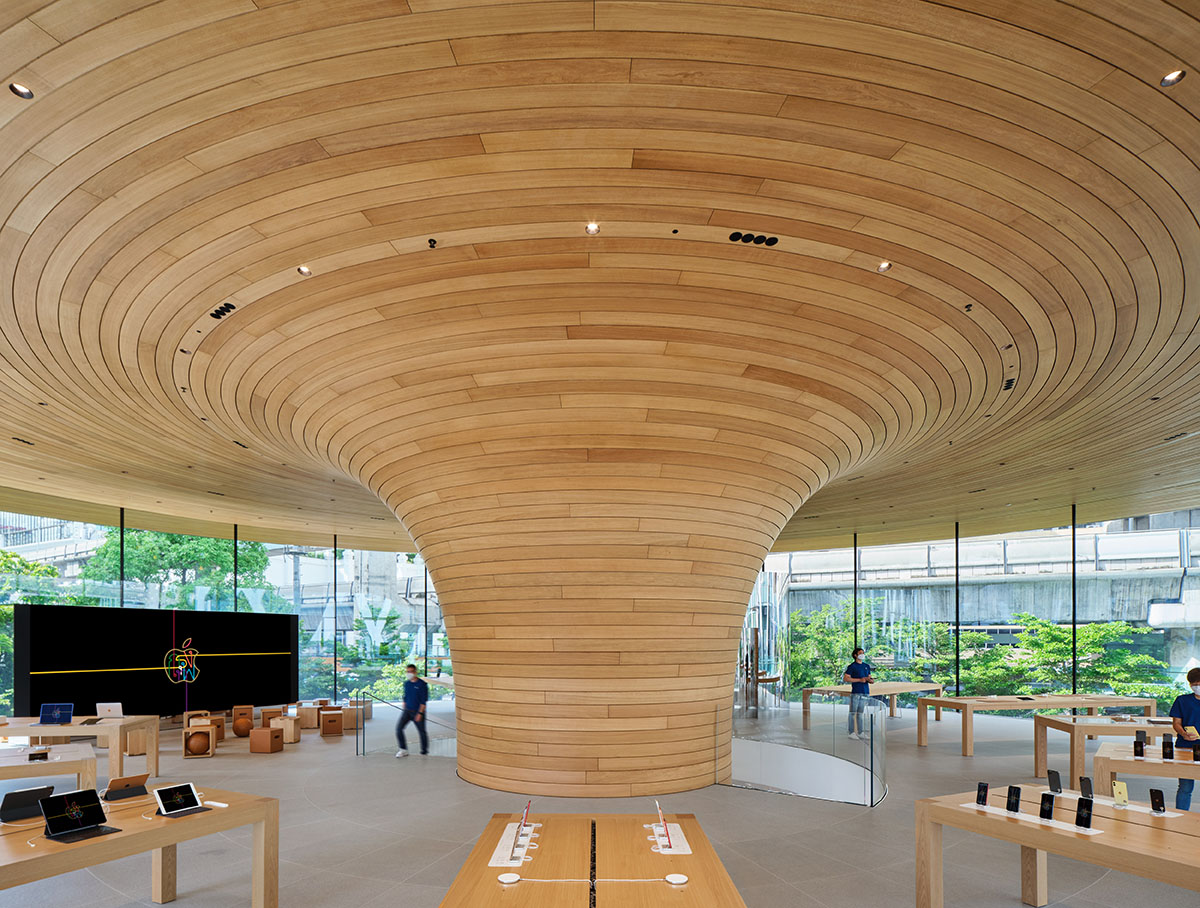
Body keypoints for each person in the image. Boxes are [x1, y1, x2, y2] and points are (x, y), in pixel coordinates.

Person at [1169, 666, 1200, 809]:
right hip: (1185, 747)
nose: (1197, 686)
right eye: (1195, 684)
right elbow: (1176, 723)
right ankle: (1181, 815)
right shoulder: (1182, 700)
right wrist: (1183, 733)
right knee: (1185, 787)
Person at [395, 663, 429, 757]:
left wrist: (420, 713)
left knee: (422, 732)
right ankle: (403, 749)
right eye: (407, 672)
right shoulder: (407, 684)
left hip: (418, 712)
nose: (409, 673)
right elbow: (405, 696)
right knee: (398, 729)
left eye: (411, 671)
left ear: (415, 672)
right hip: (407, 711)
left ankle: (424, 751)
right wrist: (404, 706)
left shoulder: (422, 684)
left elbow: (423, 701)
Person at [843, 647, 875, 740]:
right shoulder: (852, 666)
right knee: (853, 713)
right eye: (860, 653)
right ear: (855, 655)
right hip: (856, 692)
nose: (862, 654)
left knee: (860, 713)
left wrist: (870, 680)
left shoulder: (866, 666)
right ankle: (851, 732)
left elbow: (869, 677)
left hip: (865, 692)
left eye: (863, 653)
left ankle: (860, 732)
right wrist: (859, 680)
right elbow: (846, 678)